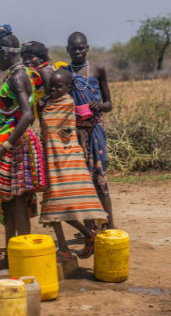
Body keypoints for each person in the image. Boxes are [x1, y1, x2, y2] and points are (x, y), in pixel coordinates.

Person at [0, 24, 47, 271]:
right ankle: (11, 256)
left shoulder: (18, 77)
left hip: (14, 144)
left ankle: (22, 257)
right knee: (10, 202)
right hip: (13, 141)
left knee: (17, 201)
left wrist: (4, 147)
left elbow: (28, 114)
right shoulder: (23, 73)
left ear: (3, 53)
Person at [38, 69, 107, 261]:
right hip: (52, 161)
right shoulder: (48, 104)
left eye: (59, 87)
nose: (54, 90)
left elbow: (63, 130)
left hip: (66, 162)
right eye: (51, 87)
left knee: (59, 205)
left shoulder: (68, 103)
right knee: (53, 206)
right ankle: (81, 238)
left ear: (68, 88)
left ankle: (66, 248)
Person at [64, 31, 116, 231]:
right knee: (81, 180)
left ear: (87, 48)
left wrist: (98, 106)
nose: (77, 52)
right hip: (74, 133)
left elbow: (109, 104)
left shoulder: (98, 69)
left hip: (95, 130)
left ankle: (109, 225)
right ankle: (90, 229)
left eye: (81, 48)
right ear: (68, 49)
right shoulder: (64, 73)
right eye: (74, 48)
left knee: (99, 177)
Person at [21, 41, 55, 111]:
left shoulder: (45, 71)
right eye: (24, 58)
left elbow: (51, 97)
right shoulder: (31, 74)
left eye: (31, 57)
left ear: (41, 58)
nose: (27, 61)